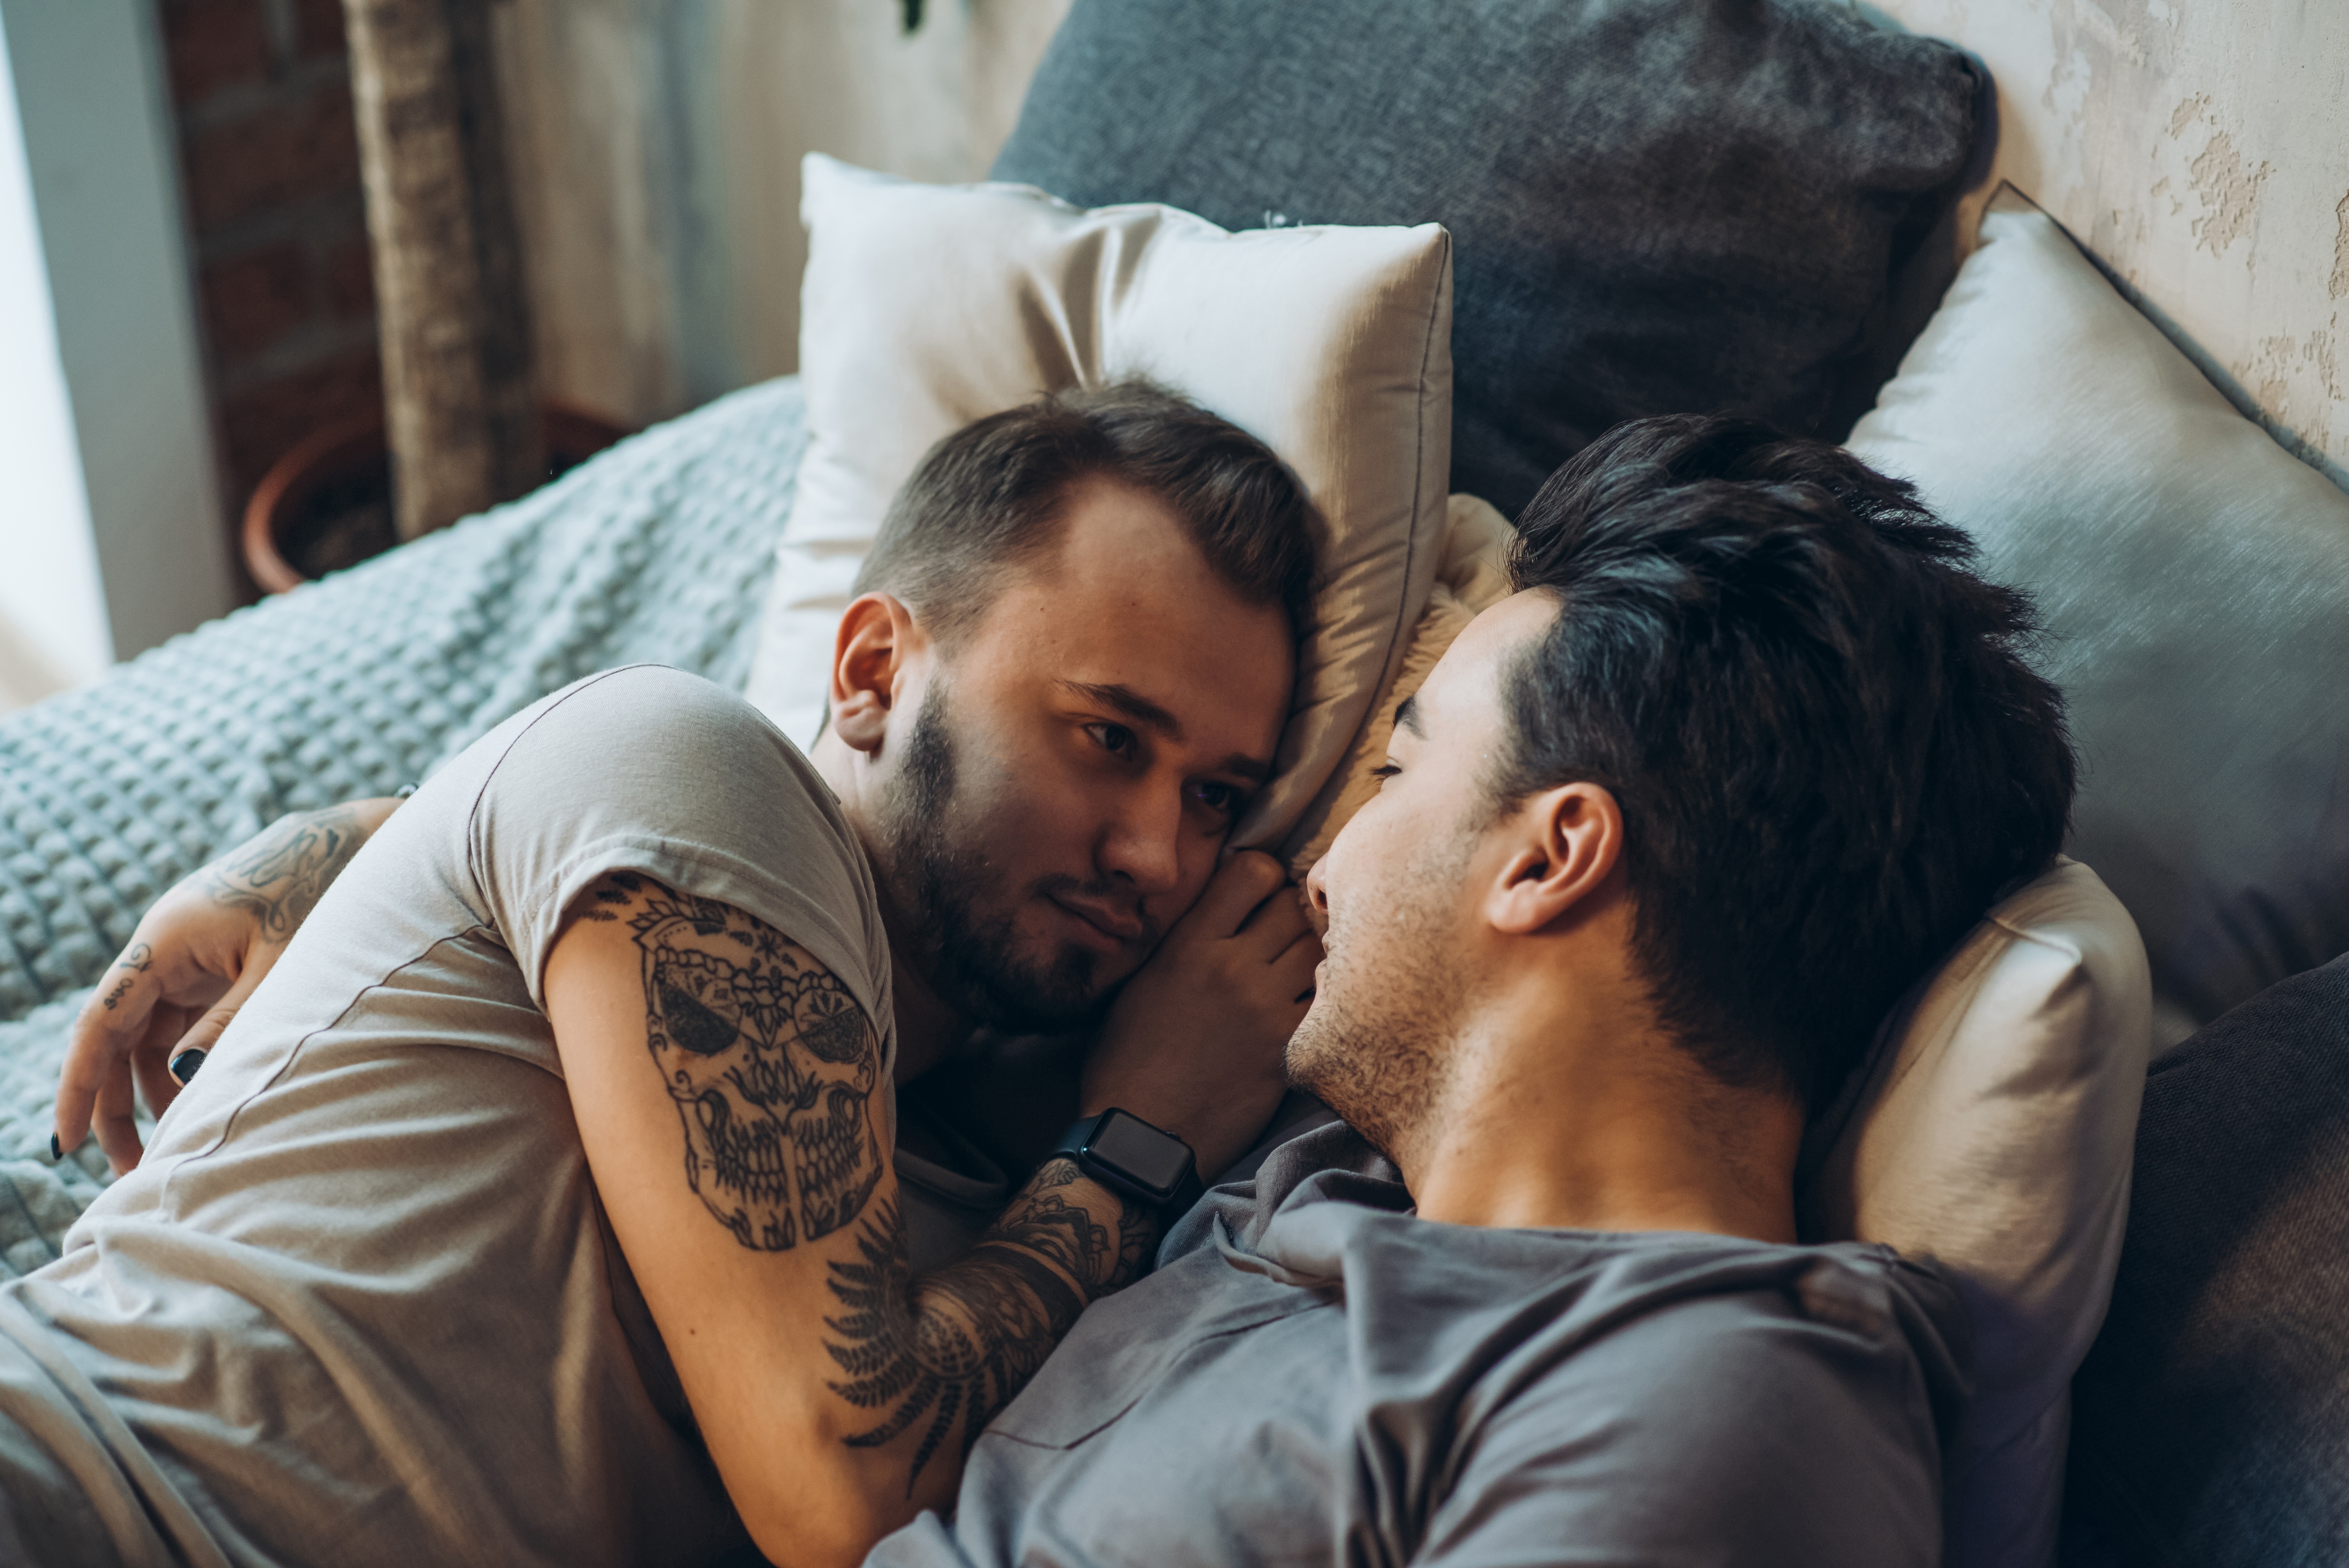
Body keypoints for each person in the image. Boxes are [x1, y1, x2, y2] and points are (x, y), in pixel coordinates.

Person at [18, 382, 1324, 1567]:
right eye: (1108, 736)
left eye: (1215, 796)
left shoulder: (985, 1171)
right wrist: (1134, 1148)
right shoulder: (699, 763)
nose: (1158, 855)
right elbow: (841, 1493)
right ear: (873, 673)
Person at [866, 413, 2076, 1567]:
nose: (1316, 863)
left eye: (1397, 772)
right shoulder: (1316, 1164)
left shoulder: (1698, 1406)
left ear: (1549, 860)